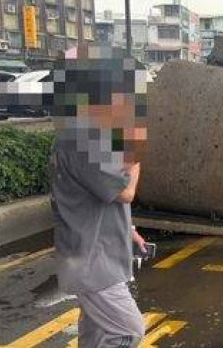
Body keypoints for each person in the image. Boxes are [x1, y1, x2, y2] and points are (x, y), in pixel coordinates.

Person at [49, 46, 148, 347]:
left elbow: (93, 195)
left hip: (92, 256)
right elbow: (125, 191)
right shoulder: (81, 140)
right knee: (127, 331)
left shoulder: (86, 133)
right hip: (92, 264)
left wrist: (128, 230)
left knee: (95, 333)